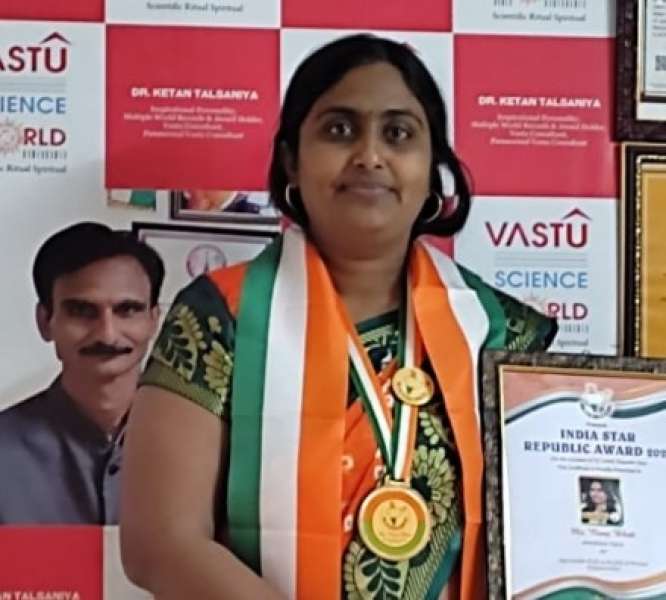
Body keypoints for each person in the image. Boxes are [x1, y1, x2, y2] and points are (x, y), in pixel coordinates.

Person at [120, 34, 557, 599]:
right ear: (291, 161)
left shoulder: (503, 335)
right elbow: (161, 544)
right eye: (340, 129)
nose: (370, 155)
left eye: (398, 133)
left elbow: (547, 544)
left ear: (432, 168)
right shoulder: (217, 319)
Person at [0, 222, 164, 524]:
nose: (107, 334)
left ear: (153, 320)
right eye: (82, 311)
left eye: (127, 310)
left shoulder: (204, 448)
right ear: (45, 321)